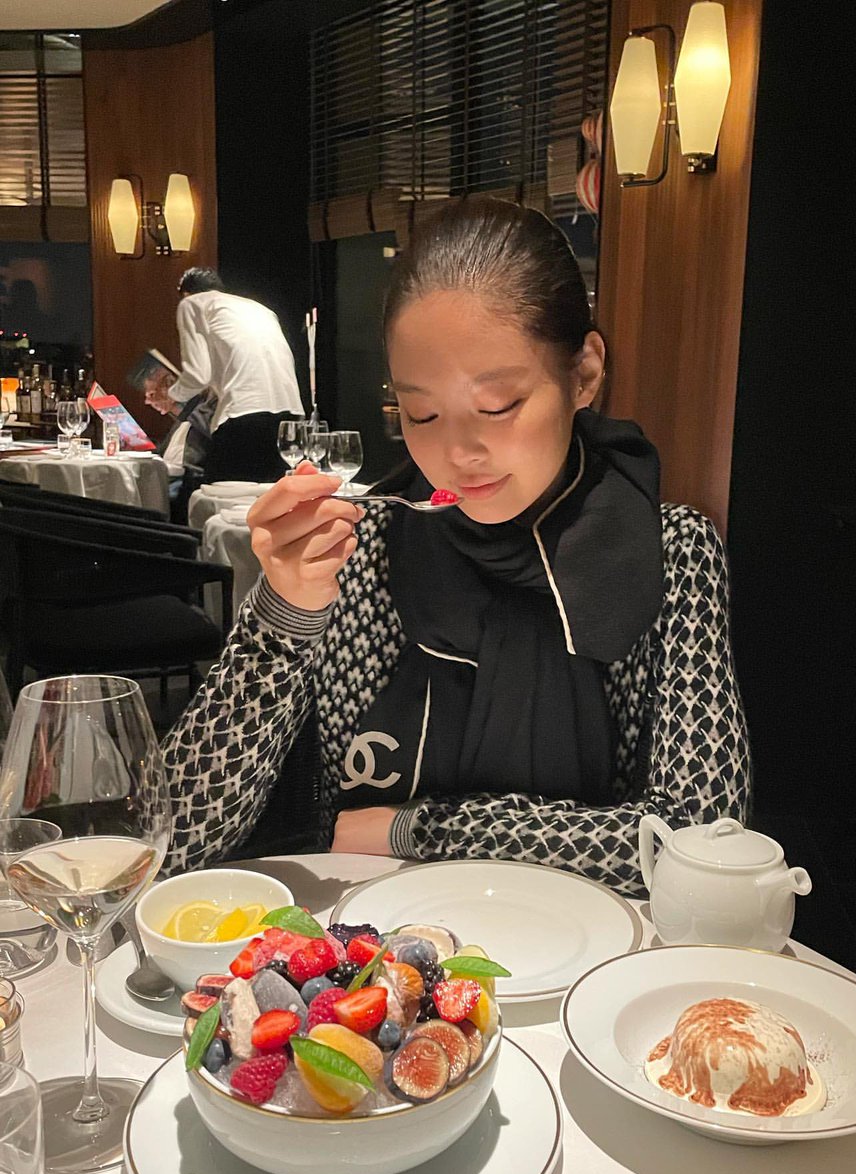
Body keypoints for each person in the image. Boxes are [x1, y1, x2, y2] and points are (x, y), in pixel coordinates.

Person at [161, 198, 751, 893]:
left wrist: (414, 830)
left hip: (592, 950)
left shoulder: (670, 551)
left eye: (498, 406)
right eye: (421, 413)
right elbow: (173, 837)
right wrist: (283, 615)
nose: (458, 452)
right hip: (368, 945)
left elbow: (699, 844)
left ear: (584, 373)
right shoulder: (361, 545)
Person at [153, 267, 304, 483]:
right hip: (290, 415)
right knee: (271, 495)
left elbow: (198, 375)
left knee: (223, 496)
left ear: (186, 293)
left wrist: (170, 395)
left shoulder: (191, 303)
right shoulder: (260, 309)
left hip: (243, 414)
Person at [145, 380, 217, 524]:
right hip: (169, 475)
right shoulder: (197, 402)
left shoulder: (213, 405)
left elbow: (206, 431)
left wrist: (177, 400)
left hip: (185, 482)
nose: (147, 401)